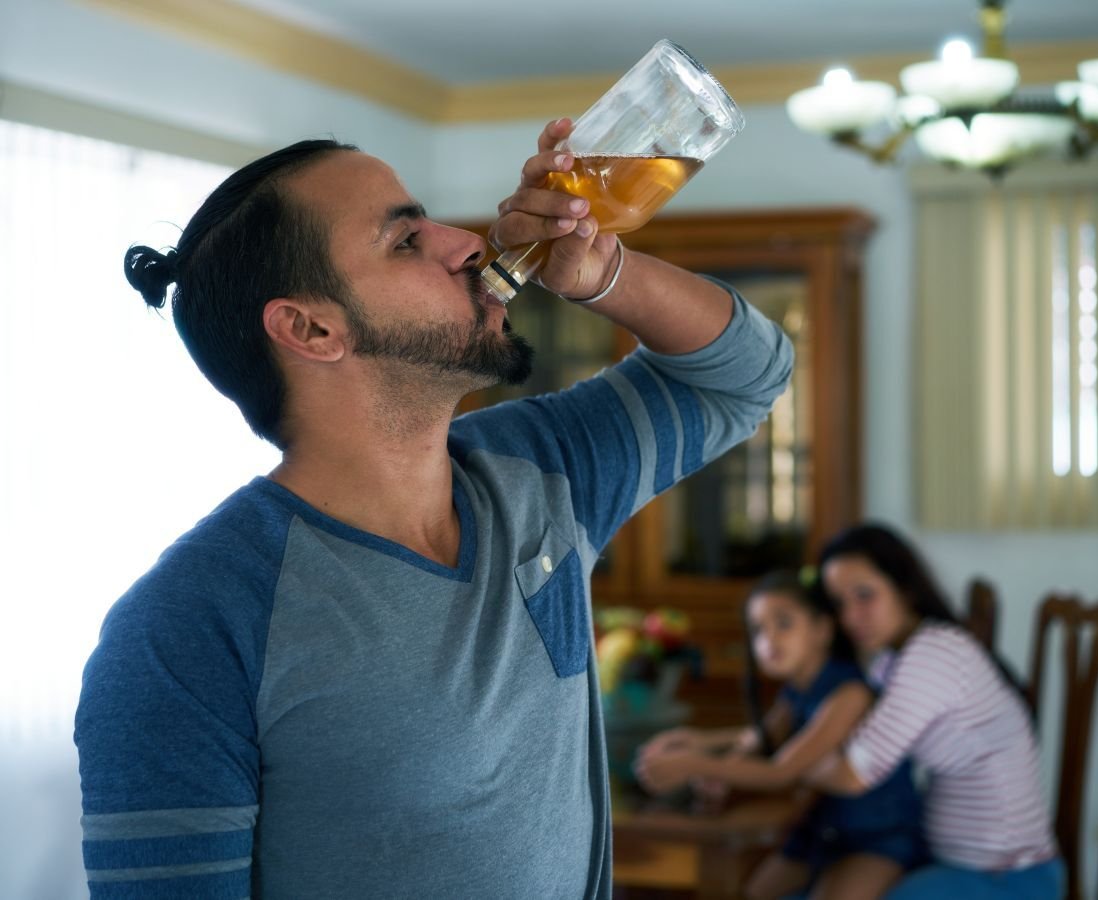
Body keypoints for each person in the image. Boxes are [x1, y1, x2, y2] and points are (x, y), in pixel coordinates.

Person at [72, 117, 794, 899]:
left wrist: (604, 272)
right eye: (405, 241)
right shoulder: (187, 625)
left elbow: (746, 375)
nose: (470, 244)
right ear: (311, 328)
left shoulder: (537, 468)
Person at [796, 522, 1064, 898]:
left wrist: (784, 768)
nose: (850, 617)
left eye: (864, 595)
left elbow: (853, 772)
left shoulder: (933, 654)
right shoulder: (894, 659)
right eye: (840, 603)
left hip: (1006, 877)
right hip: (955, 863)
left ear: (903, 586)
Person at [636, 569, 925, 899]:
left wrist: (694, 765)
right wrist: (699, 742)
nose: (768, 640)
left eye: (783, 623)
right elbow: (761, 737)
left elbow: (782, 770)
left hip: (876, 835)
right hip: (819, 830)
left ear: (822, 630)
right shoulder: (796, 690)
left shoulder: (849, 693)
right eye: (758, 630)